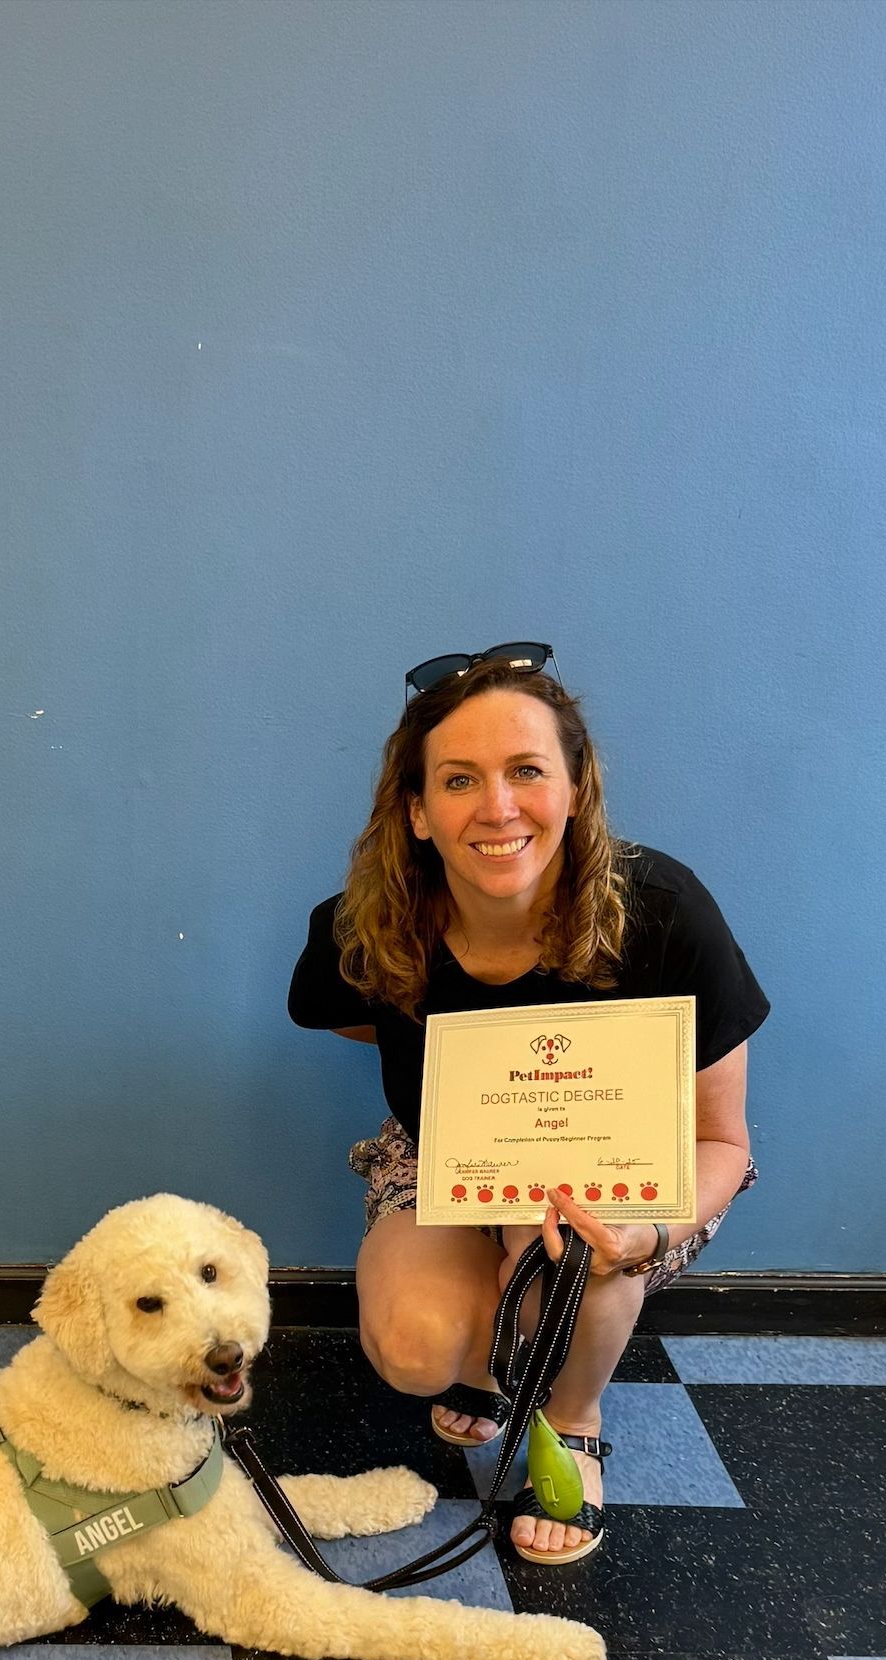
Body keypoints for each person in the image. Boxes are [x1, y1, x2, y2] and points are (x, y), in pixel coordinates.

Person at [288, 644, 768, 1568]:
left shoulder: (662, 910)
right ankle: (506, 1360)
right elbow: (349, 1020)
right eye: (459, 780)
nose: (498, 807)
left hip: (619, 1182)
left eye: (526, 772)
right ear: (418, 812)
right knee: (415, 1346)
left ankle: (574, 1418)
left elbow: (722, 1141)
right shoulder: (368, 918)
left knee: (582, 1254)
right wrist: (463, 1104)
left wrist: (646, 1235)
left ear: (576, 787)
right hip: (446, 1157)